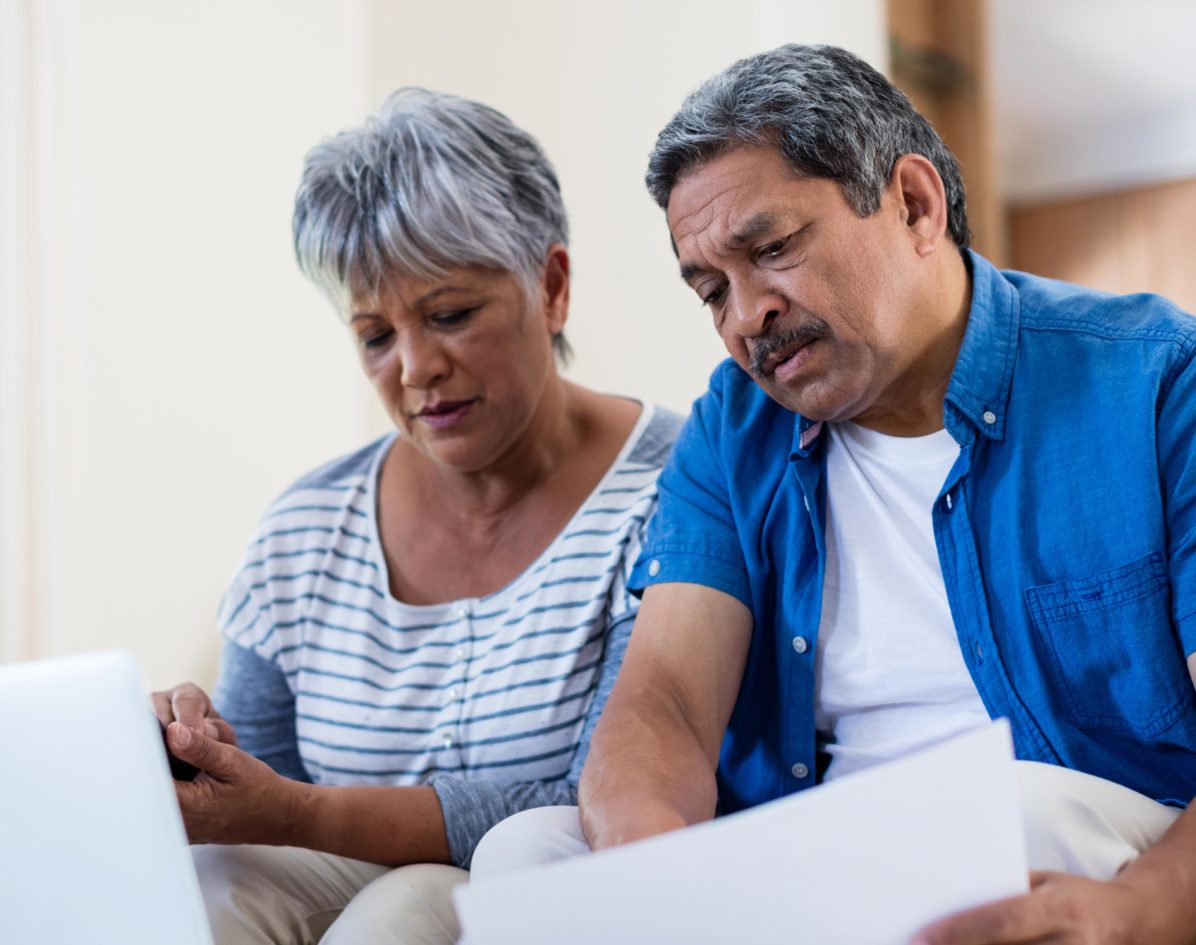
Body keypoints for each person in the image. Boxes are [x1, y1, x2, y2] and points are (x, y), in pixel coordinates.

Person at [472, 44, 1196, 943]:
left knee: (1014, 813)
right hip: (822, 844)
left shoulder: (1157, 383)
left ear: (915, 204)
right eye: (710, 290)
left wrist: (1141, 909)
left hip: (1078, 838)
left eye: (771, 249)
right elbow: (661, 702)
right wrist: (652, 882)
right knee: (525, 854)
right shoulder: (735, 426)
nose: (745, 317)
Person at [151, 88, 681, 945]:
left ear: (551, 288)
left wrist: (297, 810)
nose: (416, 368)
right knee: (210, 883)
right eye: (374, 335)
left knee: (410, 908)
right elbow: (262, 793)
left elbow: (610, 791)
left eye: (450, 314)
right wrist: (197, 755)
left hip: (560, 886)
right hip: (344, 871)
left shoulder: (673, 490)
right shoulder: (305, 529)